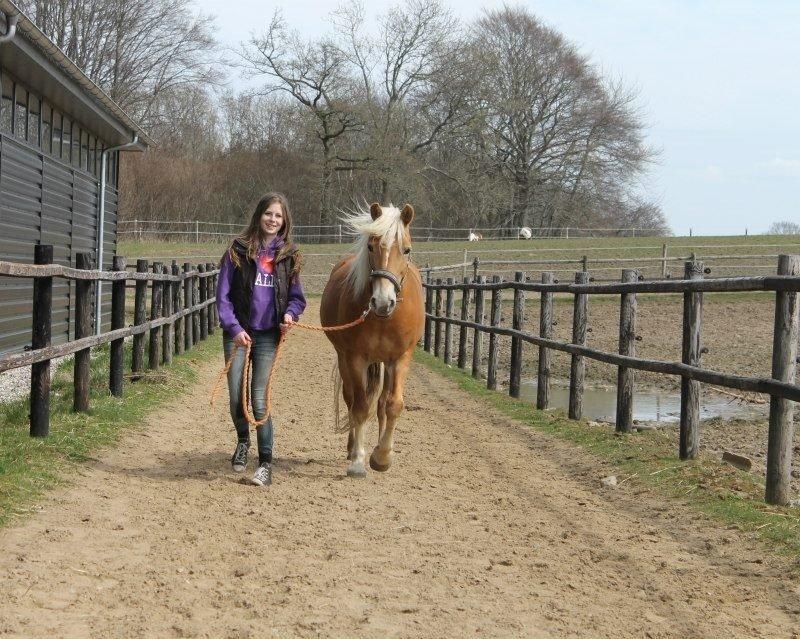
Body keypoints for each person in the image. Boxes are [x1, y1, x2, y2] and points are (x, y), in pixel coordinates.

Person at [216, 192, 306, 486]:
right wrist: (233, 328)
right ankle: (243, 441)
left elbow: (297, 298)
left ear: (284, 221)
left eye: (278, 215)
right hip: (238, 333)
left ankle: (266, 463)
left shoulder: (289, 256)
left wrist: (291, 315)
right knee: (234, 396)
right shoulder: (238, 250)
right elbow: (223, 296)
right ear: (259, 215)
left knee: (258, 397)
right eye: (269, 213)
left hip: (268, 335)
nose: (273, 219)